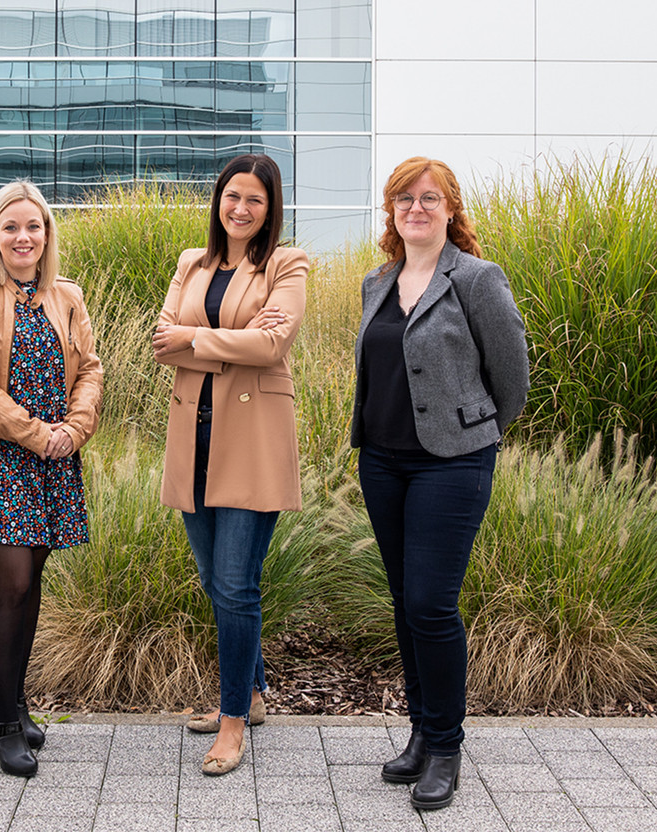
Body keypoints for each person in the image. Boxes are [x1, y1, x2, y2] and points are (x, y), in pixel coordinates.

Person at [351, 157, 529, 810]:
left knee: (430, 603)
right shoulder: (377, 282)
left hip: (451, 463)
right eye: (404, 198)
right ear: (391, 210)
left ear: (451, 209)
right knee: (405, 602)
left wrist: (476, 435)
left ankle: (447, 747)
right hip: (382, 461)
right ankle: (421, 733)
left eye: (430, 198)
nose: (416, 208)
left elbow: (512, 376)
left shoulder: (476, 278)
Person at [0, 180, 103, 778]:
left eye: (34, 226)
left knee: (32, 587)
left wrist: (74, 429)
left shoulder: (66, 295)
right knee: (12, 584)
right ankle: (4, 722)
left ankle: (15, 702)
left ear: (47, 234)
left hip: (53, 460)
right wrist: (35, 433)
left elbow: (90, 370)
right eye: (11, 227)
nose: (23, 237)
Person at [152, 154, 308, 776]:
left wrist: (195, 338)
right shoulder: (191, 262)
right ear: (218, 200)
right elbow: (162, 343)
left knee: (237, 583)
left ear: (271, 209)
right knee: (216, 580)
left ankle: (234, 720)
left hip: (252, 440)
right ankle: (255, 692)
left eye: (255, 200)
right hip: (193, 437)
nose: (241, 209)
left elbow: (273, 345)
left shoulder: (286, 264)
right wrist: (225, 343)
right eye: (232, 196)